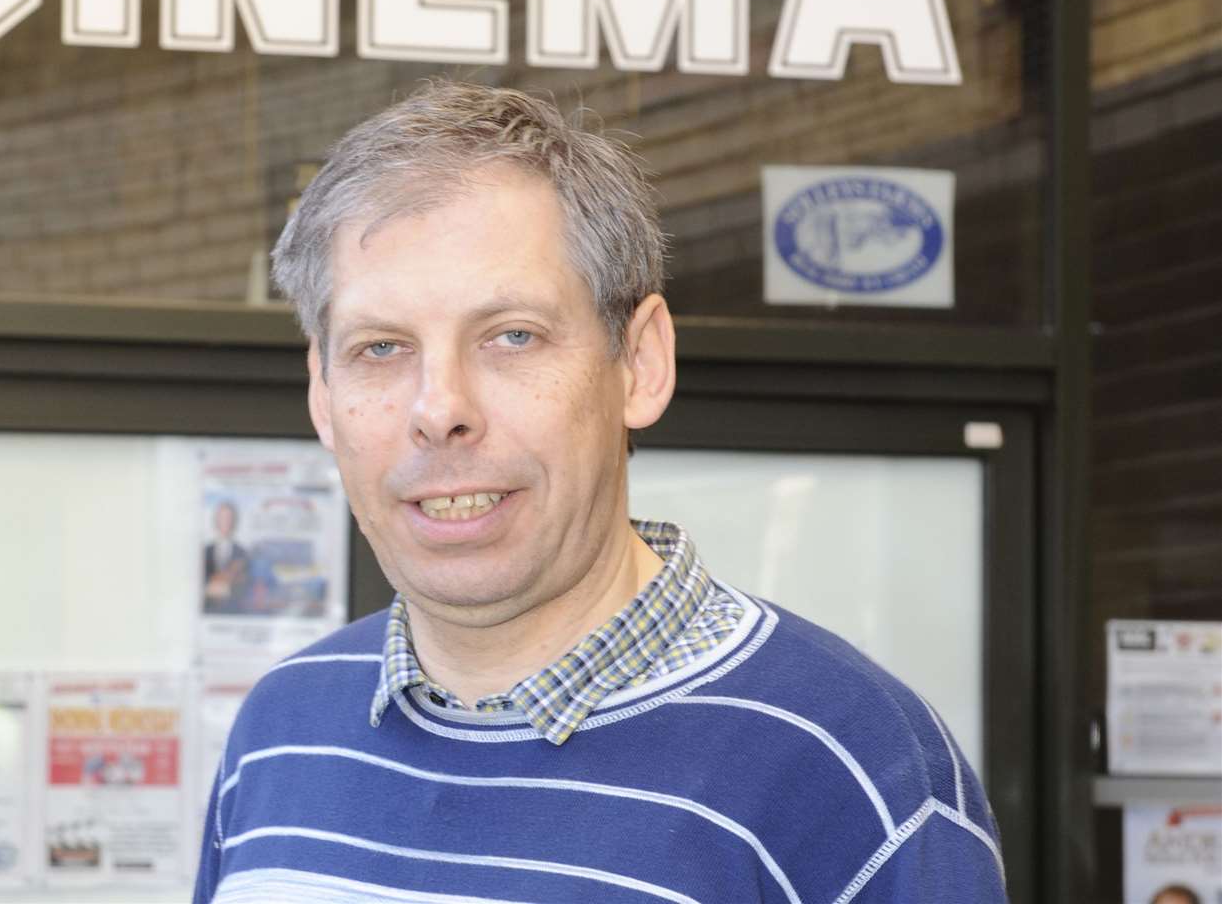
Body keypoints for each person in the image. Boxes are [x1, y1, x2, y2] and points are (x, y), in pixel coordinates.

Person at [193, 81, 1008, 903]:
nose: (438, 411)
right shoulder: (277, 731)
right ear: (321, 394)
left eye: (512, 336)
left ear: (640, 364)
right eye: (379, 349)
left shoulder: (850, 768)